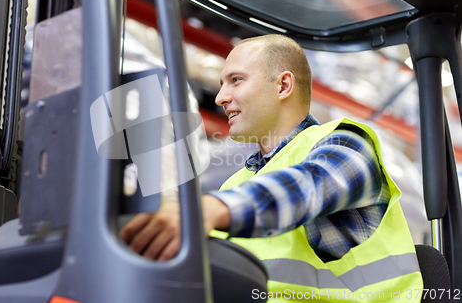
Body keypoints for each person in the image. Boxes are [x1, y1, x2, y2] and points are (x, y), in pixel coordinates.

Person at [121, 34, 422, 300]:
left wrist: (210, 209)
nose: (220, 97)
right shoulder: (237, 183)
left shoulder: (346, 144)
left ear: (283, 85)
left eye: (236, 80)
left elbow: (309, 188)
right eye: (222, 83)